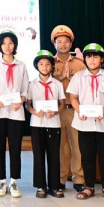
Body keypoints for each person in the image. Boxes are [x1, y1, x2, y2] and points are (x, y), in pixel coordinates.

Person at [67, 43, 104, 202]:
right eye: (89, 56)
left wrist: (103, 111)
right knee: (87, 156)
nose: (92, 59)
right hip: (84, 124)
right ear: (84, 59)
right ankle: (88, 186)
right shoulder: (78, 77)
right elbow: (73, 98)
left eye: (95, 56)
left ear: (101, 59)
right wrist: (79, 110)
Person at [0, 30, 29, 198]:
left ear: (15, 45)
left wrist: (22, 100)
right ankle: (2, 180)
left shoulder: (21, 66)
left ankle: (14, 181)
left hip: (16, 112)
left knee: (15, 147)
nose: (7, 46)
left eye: (10, 43)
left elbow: (25, 88)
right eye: (4, 43)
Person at [51, 25, 86, 192]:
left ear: (71, 43)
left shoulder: (80, 63)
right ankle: (61, 178)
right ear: (54, 44)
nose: (63, 44)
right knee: (60, 146)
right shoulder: (48, 63)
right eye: (59, 41)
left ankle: (78, 178)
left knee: (77, 144)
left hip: (74, 109)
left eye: (66, 41)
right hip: (56, 110)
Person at [26, 50, 66, 198]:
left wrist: (55, 112)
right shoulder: (31, 84)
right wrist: (33, 111)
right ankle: (40, 186)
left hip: (54, 123)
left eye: (47, 64)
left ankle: (54, 186)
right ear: (37, 66)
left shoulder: (57, 84)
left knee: (54, 155)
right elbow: (28, 104)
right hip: (37, 123)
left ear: (52, 66)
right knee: (38, 155)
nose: (44, 67)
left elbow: (62, 103)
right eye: (41, 64)